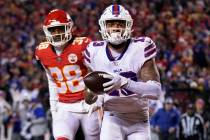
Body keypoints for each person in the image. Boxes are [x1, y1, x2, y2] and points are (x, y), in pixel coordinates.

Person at [84, 4, 162, 140]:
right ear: (103, 26)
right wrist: (94, 98)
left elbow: (155, 92)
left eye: (120, 23)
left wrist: (125, 83)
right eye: (111, 23)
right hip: (112, 116)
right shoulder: (94, 51)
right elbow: (90, 94)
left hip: (139, 118)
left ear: (129, 26)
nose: (115, 28)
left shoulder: (141, 47)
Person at [35, 9, 100, 140]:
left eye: (60, 28)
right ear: (47, 31)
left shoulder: (84, 45)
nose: (57, 33)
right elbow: (52, 81)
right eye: (53, 30)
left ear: (69, 27)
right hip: (65, 106)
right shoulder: (42, 52)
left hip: (88, 104)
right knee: (61, 137)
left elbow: (98, 74)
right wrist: (54, 108)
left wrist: (99, 100)